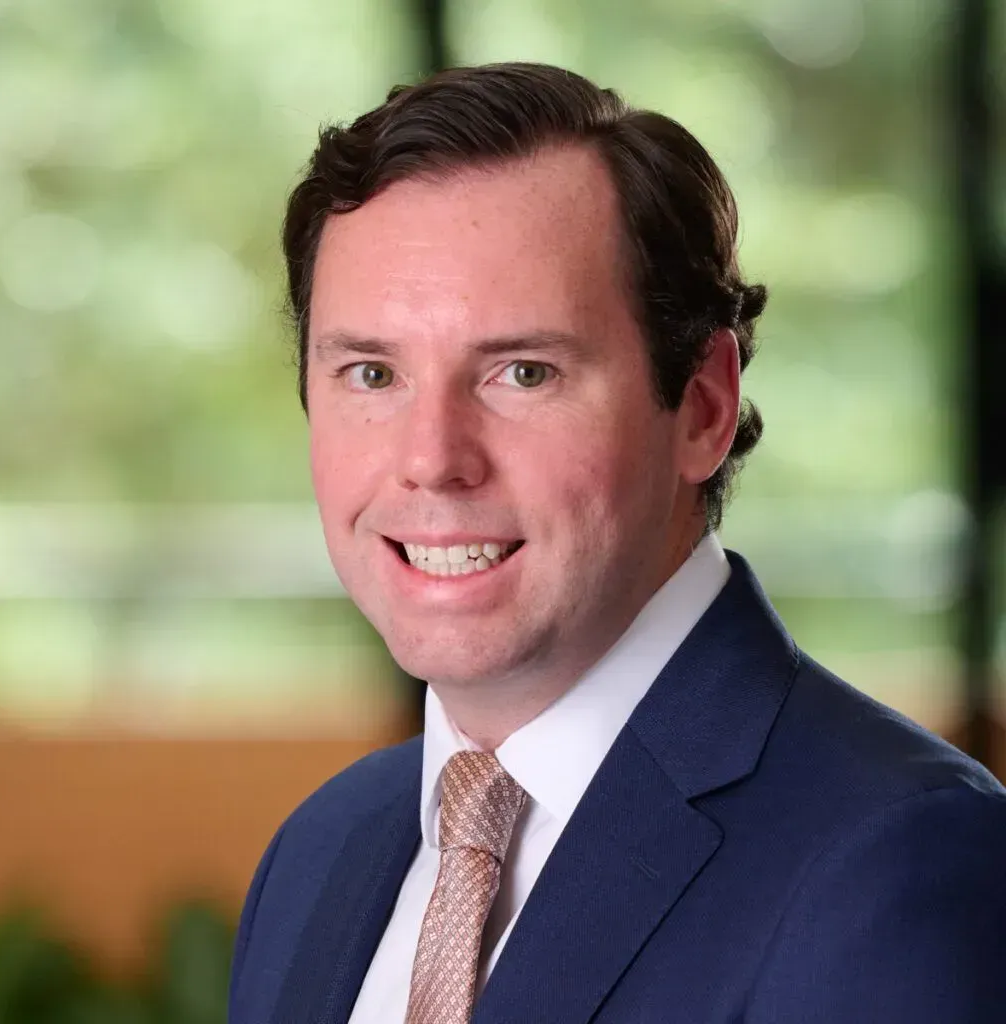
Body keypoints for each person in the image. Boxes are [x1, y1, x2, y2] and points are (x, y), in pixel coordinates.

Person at [228, 63, 1006, 1024]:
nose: (432, 462)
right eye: (372, 374)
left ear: (704, 406)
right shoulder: (319, 856)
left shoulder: (892, 860)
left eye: (523, 371)